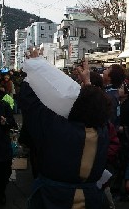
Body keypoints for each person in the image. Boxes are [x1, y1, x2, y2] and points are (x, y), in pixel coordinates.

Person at [19, 53, 112, 208]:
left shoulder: (55, 127)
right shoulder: (102, 132)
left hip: (52, 197)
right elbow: (94, 106)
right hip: (90, 199)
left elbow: (30, 102)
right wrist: (87, 83)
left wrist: (36, 66)